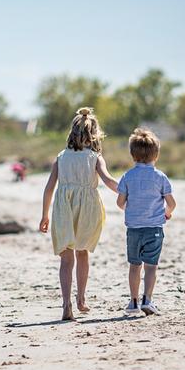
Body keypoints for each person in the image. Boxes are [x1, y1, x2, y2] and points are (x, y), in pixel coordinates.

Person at [38, 108, 120, 320]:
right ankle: (81, 299)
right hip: (88, 209)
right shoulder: (95, 158)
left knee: (66, 259)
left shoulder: (61, 158)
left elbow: (48, 188)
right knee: (82, 253)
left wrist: (45, 215)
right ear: (94, 135)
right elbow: (108, 180)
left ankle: (66, 305)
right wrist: (128, 190)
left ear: (72, 133)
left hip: (63, 207)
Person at [116, 128, 177, 316]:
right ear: (156, 155)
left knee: (135, 265)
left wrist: (132, 210)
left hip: (133, 229)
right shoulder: (160, 177)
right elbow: (171, 203)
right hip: (154, 229)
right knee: (151, 266)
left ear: (132, 155)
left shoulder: (127, 176)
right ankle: (147, 300)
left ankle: (133, 302)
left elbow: (120, 202)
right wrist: (167, 213)